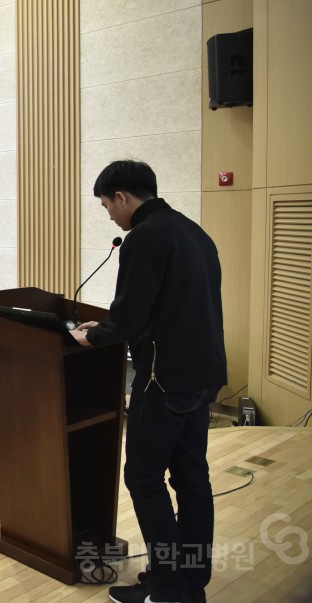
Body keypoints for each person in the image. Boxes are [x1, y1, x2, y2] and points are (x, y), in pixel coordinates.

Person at [70, 160, 226, 603]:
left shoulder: (145, 238)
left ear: (123, 196)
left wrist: (92, 335)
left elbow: (129, 315)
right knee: (192, 479)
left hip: (163, 379)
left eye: (107, 205)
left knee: (142, 476)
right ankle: (188, 581)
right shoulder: (195, 233)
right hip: (204, 376)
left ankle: (168, 589)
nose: (110, 215)